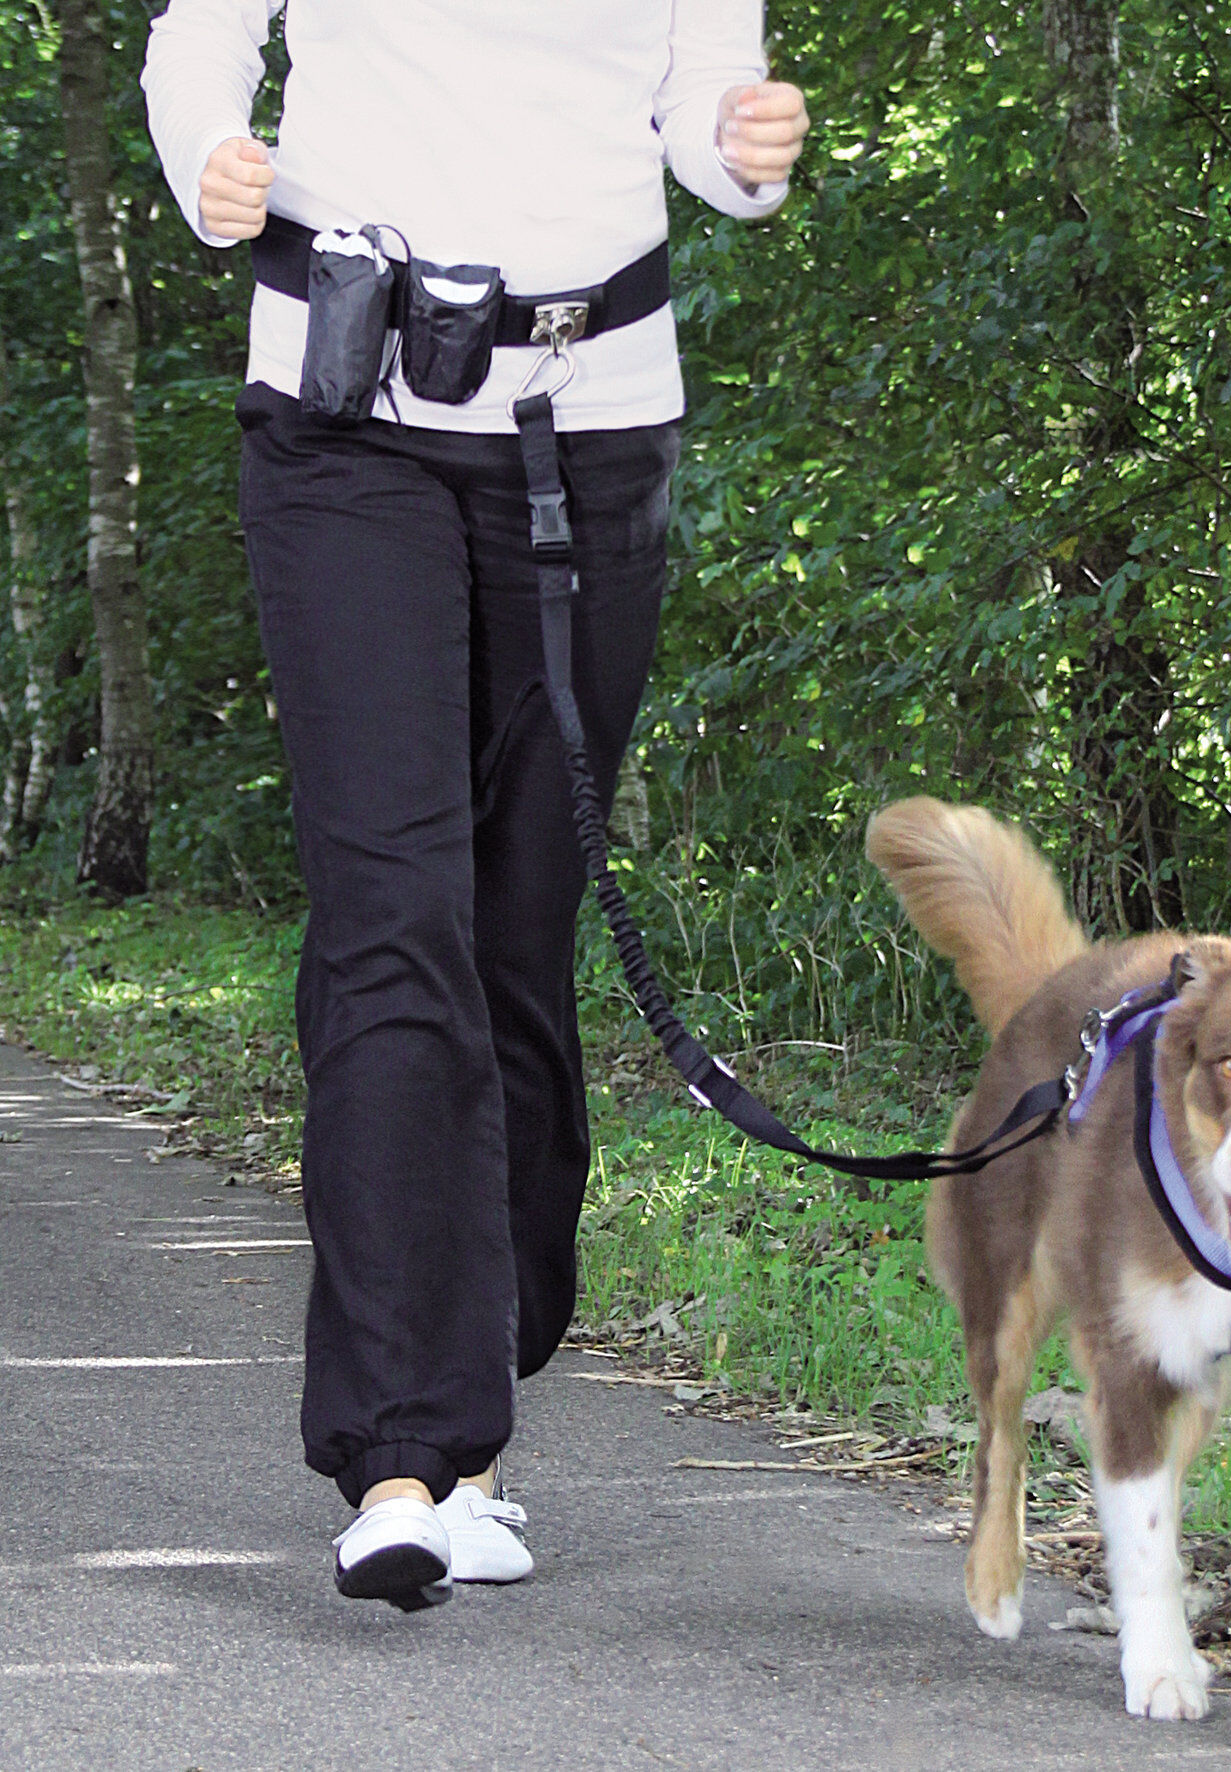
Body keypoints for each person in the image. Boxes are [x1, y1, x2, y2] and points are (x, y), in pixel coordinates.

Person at [141, 1, 808, 1610]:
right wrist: (210, 160)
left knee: (513, 933)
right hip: (342, 416)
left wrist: (738, 147)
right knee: (395, 921)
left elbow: (702, 94)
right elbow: (198, 39)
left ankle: (479, 1445)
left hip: (592, 427)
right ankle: (391, 1460)